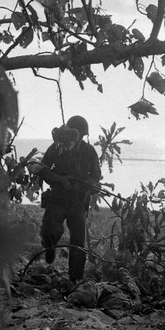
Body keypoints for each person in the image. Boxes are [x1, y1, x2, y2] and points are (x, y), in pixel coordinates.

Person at [30, 116, 102, 282]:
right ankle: (50, 247)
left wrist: (82, 186)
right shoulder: (56, 148)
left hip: (78, 201)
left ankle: (75, 279)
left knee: (77, 242)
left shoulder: (89, 151)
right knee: (48, 230)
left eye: (79, 136)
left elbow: (96, 176)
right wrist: (59, 179)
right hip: (57, 199)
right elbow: (42, 169)